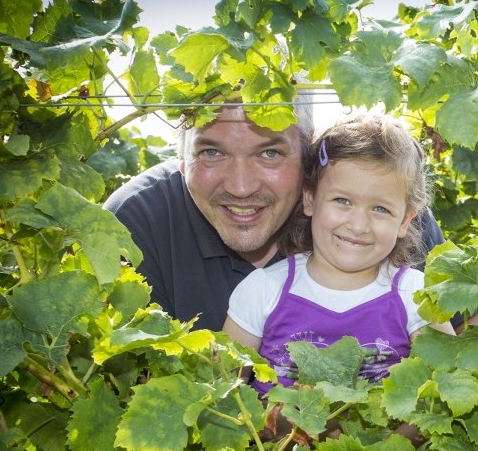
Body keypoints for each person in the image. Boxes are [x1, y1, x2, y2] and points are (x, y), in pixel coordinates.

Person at [104, 99, 446, 331]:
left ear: (306, 150)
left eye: (269, 152)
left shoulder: (390, 216)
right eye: (211, 152)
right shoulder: (134, 222)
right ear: (181, 157)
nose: (240, 187)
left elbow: (462, 341)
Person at [222, 113, 455, 394]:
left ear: (405, 220)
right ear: (309, 199)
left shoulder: (416, 296)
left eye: (380, 209)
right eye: (342, 201)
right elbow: (222, 389)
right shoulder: (262, 290)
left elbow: (445, 390)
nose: (358, 226)